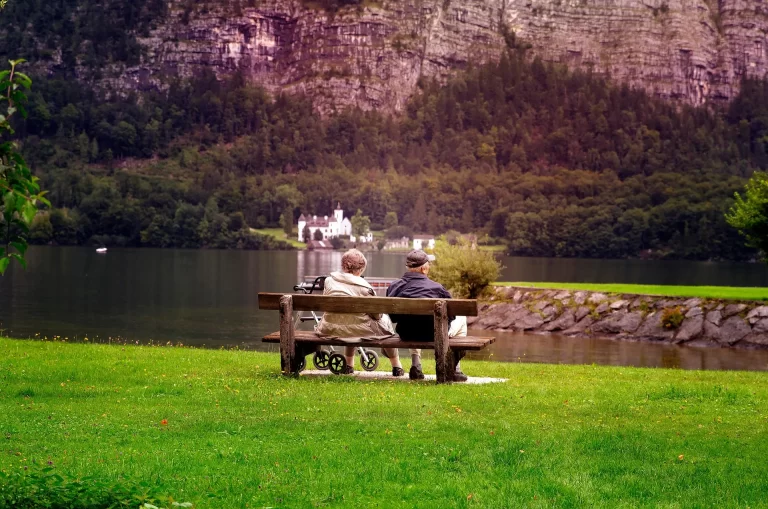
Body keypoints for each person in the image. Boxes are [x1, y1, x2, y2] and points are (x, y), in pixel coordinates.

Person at [315, 249, 405, 376]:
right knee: (385, 324)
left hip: (330, 328)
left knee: (350, 321)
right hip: (357, 330)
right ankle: (396, 366)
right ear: (361, 269)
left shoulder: (329, 281)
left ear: (343, 265)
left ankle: (348, 365)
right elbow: (376, 315)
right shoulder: (364, 286)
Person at [386, 250, 468, 381]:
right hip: (434, 334)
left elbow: (393, 317)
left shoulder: (394, 286)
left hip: (407, 334)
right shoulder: (437, 288)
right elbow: (451, 316)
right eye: (429, 264)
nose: (429, 266)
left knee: (413, 323)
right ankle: (455, 369)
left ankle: (416, 365)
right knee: (462, 318)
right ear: (424, 269)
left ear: (408, 267)